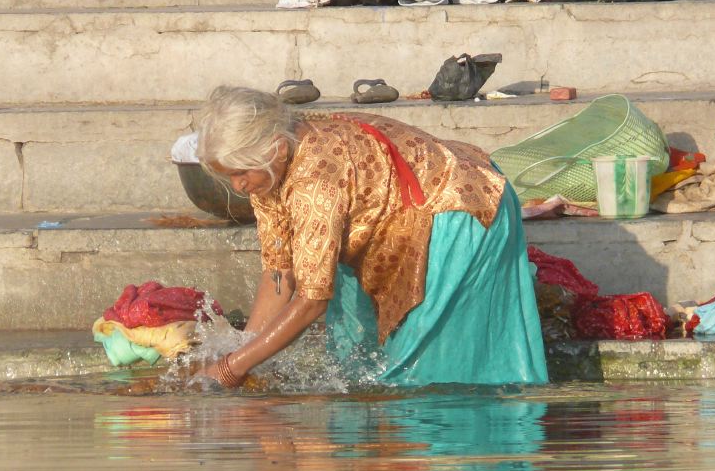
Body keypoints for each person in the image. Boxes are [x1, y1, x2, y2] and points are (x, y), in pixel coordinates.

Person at [195, 86, 548, 388]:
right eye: (231, 178)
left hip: (455, 208)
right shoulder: (270, 169)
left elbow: (312, 300)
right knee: (359, 372)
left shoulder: (314, 182)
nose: (239, 187)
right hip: (398, 217)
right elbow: (280, 271)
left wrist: (231, 368)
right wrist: (243, 350)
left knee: (423, 377)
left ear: (277, 148)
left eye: (242, 173)